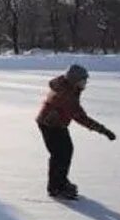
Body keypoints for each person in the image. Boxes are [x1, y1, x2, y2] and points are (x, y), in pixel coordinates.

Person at [36, 64, 115, 199]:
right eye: (83, 81)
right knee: (60, 155)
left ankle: (60, 181)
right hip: (50, 125)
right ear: (74, 80)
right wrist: (103, 130)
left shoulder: (66, 87)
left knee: (65, 152)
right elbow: (80, 117)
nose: (85, 84)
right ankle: (55, 187)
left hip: (55, 123)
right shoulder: (67, 95)